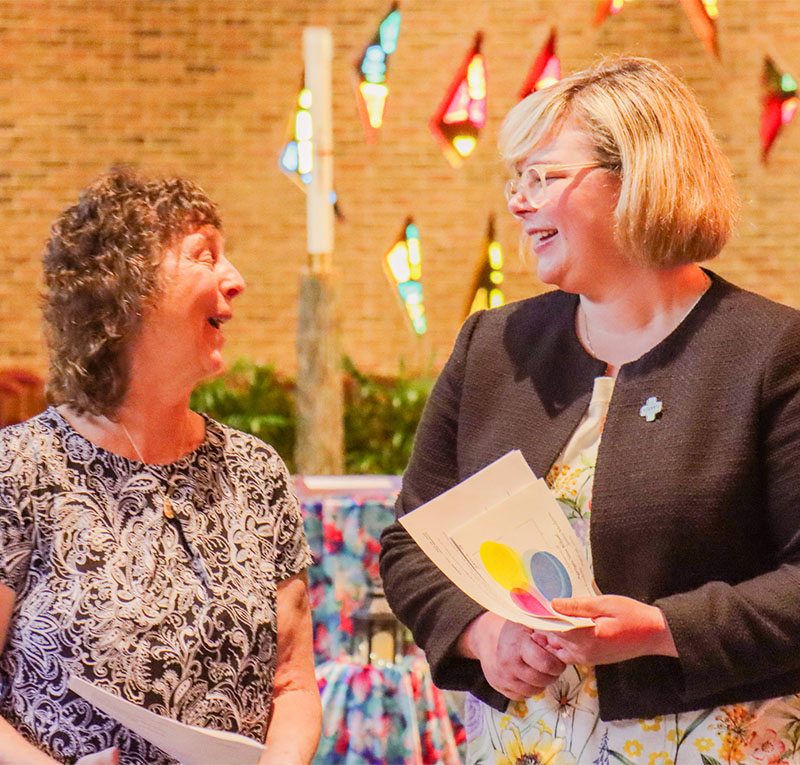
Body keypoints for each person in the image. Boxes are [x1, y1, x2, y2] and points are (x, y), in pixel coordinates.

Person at [380, 55, 800, 763]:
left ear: (637, 178)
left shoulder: (772, 351)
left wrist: (662, 629)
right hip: (522, 744)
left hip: (715, 740)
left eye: (543, 177)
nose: (520, 202)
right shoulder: (493, 345)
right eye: (517, 179)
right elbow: (411, 544)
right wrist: (484, 634)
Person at [0, 168, 321, 764]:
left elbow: (294, 684)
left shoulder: (255, 472)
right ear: (125, 288)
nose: (236, 280)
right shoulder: (19, 469)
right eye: (205, 255)